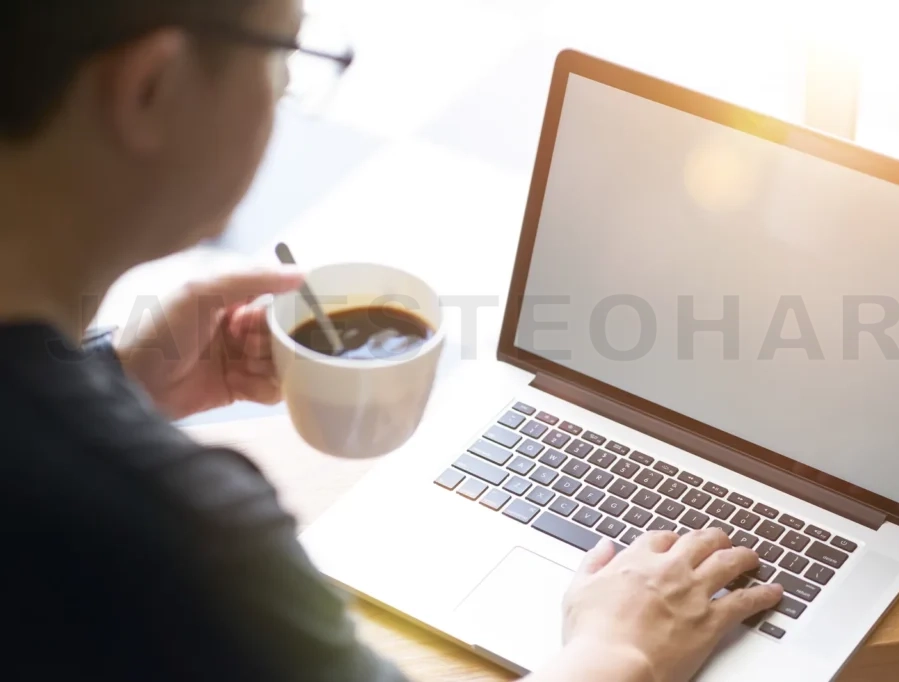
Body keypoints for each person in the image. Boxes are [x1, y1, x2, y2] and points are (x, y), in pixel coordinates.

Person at [0, 1, 783, 681]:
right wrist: (622, 652)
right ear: (151, 89)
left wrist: (107, 381)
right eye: (286, 57)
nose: (284, 95)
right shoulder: (180, 539)